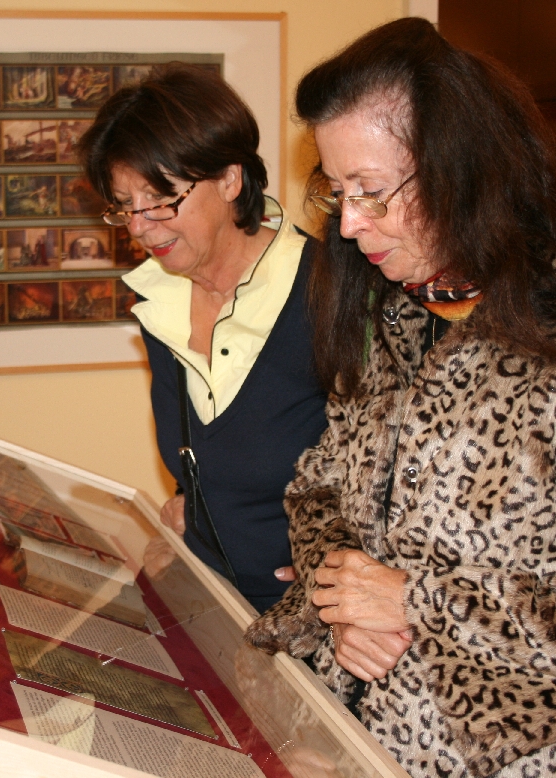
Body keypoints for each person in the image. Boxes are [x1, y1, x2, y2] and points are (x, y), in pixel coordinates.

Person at [245, 18, 556, 777]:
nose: (350, 223)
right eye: (338, 191)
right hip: (361, 741)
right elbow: (318, 490)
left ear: (462, 169)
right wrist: (344, 593)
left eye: (372, 191)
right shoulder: (393, 311)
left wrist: (415, 604)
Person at [78, 65, 330, 612]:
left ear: (230, 180)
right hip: (210, 607)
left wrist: (350, 565)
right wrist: (188, 507)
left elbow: (404, 475)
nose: (138, 227)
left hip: (311, 626)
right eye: (125, 206)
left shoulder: (331, 293)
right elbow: (215, 459)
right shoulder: (161, 303)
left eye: (159, 199)